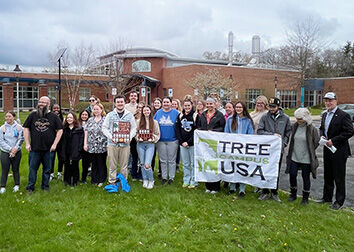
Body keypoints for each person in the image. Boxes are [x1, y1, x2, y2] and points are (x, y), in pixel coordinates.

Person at [317, 92, 354, 210]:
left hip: (339, 150)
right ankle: (326, 197)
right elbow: (322, 128)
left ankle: (339, 201)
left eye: (330, 100)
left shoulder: (343, 115)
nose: (328, 103)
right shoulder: (324, 115)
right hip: (327, 149)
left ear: (336, 101)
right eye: (326, 100)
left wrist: (334, 140)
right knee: (328, 175)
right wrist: (322, 136)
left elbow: (349, 131)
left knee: (339, 176)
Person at [23, 96, 63, 193]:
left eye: (43, 102)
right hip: (34, 148)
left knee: (47, 170)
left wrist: (54, 144)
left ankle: (45, 187)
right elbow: (26, 128)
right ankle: (30, 187)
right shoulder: (32, 115)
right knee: (32, 169)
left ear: (48, 104)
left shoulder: (54, 117)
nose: (41, 104)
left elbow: (60, 130)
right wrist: (27, 143)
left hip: (48, 149)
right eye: (40, 102)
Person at [257, 97, 291, 202]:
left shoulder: (285, 118)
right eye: (270, 107)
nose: (271, 109)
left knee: (276, 171)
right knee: (265, 169)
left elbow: (288, 132)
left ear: (278, 107)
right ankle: (265, 191)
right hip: (267, 150)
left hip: (278, 150)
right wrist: (272, 135)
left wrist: (283, 144)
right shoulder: (264, 117)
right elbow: (260, 131)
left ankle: (274, 192)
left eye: (274, 107)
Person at [285, 108, 319, 205]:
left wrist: (309, 151)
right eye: (297, 118)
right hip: (294, 155)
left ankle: (305, 197)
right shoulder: (295, 126)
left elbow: (316, 142)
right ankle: (293, 194)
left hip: (306, 158)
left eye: (300, 119)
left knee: (305, 177)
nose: (298, 120)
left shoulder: (312, 129)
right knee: (292, 174)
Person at [102, 95, 137, 183]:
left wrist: (129, 137)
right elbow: (104, 128)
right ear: (115, 103)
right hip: (112, 144)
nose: (120, 104)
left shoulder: (129, 115)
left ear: (124, 103)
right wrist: (111, 137)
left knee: (124, 165)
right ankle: (112, 181)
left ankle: (123, 181)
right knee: (112, 165)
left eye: (121, 102)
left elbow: (134, 128)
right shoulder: (110, 115)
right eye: (118, 102)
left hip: (125, 144)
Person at [224, 101, 254, 197]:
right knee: (232, 167)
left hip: (243, 148)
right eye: (237, 107)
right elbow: (226, 133)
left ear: (244, 108)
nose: (238, 109)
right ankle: (232, 187)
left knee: (242, 168)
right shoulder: (229, 120)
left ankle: (242, 189)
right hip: (233, 148)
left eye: (240, 107)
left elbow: (251, 134)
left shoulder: (248, 121)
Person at [197, 97, 226, 194]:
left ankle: (216, 187)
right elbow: (199, 126)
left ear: (215, 104)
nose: (209, 106)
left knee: (214, 164)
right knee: (206, 163)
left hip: (215, 143)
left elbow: (222, 128)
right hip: (204, 144)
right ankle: (208, 186)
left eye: (211, 104)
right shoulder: (203, 115)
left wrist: (213, 131)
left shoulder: (220, 115)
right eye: (208, 104)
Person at [154, 97, 179, 185]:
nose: (166, 104)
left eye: (167, 102)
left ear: (171, 103)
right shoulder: (158, 113)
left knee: (172, 160)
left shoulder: (176, 113)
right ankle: (164, 177)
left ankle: (171, 177)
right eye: (164, 102)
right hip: (161, 140)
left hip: (172, 140)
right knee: (163, 160)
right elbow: (154, 124)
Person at [136, 105, 160, 189]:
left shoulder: (155, 122)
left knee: (147, 164)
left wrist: (152, 138)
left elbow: (157, 134)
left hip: (150, 144)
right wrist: (138, 138)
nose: (146, 112)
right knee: (142, 163)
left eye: (148, 110)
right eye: (144, 110)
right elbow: (135, 133)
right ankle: (145, 179)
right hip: (140, 144)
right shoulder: (138, 122)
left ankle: (151, 180)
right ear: (142, 112)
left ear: (150, 111)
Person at [176, 98, 198, 188]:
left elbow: (196, 130)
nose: (187, 107)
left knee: (193, 163)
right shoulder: (180, 116)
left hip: (192, 144)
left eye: (189, 105)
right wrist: (182, 142)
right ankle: (186, 180)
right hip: (182, 144)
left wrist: (189, 142)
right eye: (185, 105)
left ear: (191, 105)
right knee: (185, 163)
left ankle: (193, 181)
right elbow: (177, 129)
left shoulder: (195, 116)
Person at [84, 103, 107, 187]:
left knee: (101, 162)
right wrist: (85, 144)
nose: (96, 111)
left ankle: (101, 179)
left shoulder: (105, 120)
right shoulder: (90, 120)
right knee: (93, 163)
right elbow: (86, 131)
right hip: (92, 145)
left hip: (102, 145)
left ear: (101, 110)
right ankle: (94, 179)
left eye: (98, 109)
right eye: (94, 109)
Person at [0, 111, 24, 194]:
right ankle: (3, 186)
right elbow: (1, 141)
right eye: (6, 116)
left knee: (15, 169)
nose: (7, 118)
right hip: (5, 152)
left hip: (17, 152)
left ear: (13, 117)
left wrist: (15, 149)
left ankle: (17, 185)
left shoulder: (19, 127)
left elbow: (21, 139)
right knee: (5, 169)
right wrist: (10, 149)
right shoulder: (2, 128)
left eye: (9, 116)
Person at [61, 112, 84, 186]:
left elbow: (81, 140)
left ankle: (75, 181)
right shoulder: (64, 129)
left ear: (74, 119)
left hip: (75, 150)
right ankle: (67, 181)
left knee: (75, 166)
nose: (69, 119)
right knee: (66, 166)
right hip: (66, 150)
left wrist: (79, 150)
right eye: (68, 118)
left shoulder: (79, 129)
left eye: (71, 118)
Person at [130, 102, 145, 181]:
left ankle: (141, 174)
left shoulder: (146, 117)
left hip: (142, 140)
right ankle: (133, 174)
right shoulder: (133, 117)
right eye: (138, 107)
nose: (140, 109)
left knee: (141, 158)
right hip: (134, 140)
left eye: (142, 107)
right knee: (134, 158)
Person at [50, 103, 64, 181]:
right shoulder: (49, 118)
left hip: (61, 142)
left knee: (61, 158)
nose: (56, 110)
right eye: (54, 108)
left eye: (57, 108)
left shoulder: (63, 118)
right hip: (52, 141)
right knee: (51, 158)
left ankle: (59, 172)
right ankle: (51, 174)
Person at [78, 109, 91, 184]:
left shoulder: (90, 123)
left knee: (85, 163)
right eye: (83, 114)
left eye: (86, 115)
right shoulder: (77, 123)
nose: (84, 116)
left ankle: (84, 179)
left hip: (87, 145)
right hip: (78, 146)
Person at [151, 97, 162, 175]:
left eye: (158, 103)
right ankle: (150, 170)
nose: (156, 104)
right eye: (155, 103)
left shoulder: (163, 112)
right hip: (153, 136)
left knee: (161, 155)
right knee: (152, 154)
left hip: (161, 136)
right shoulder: (150, 112)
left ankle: (160, 171)